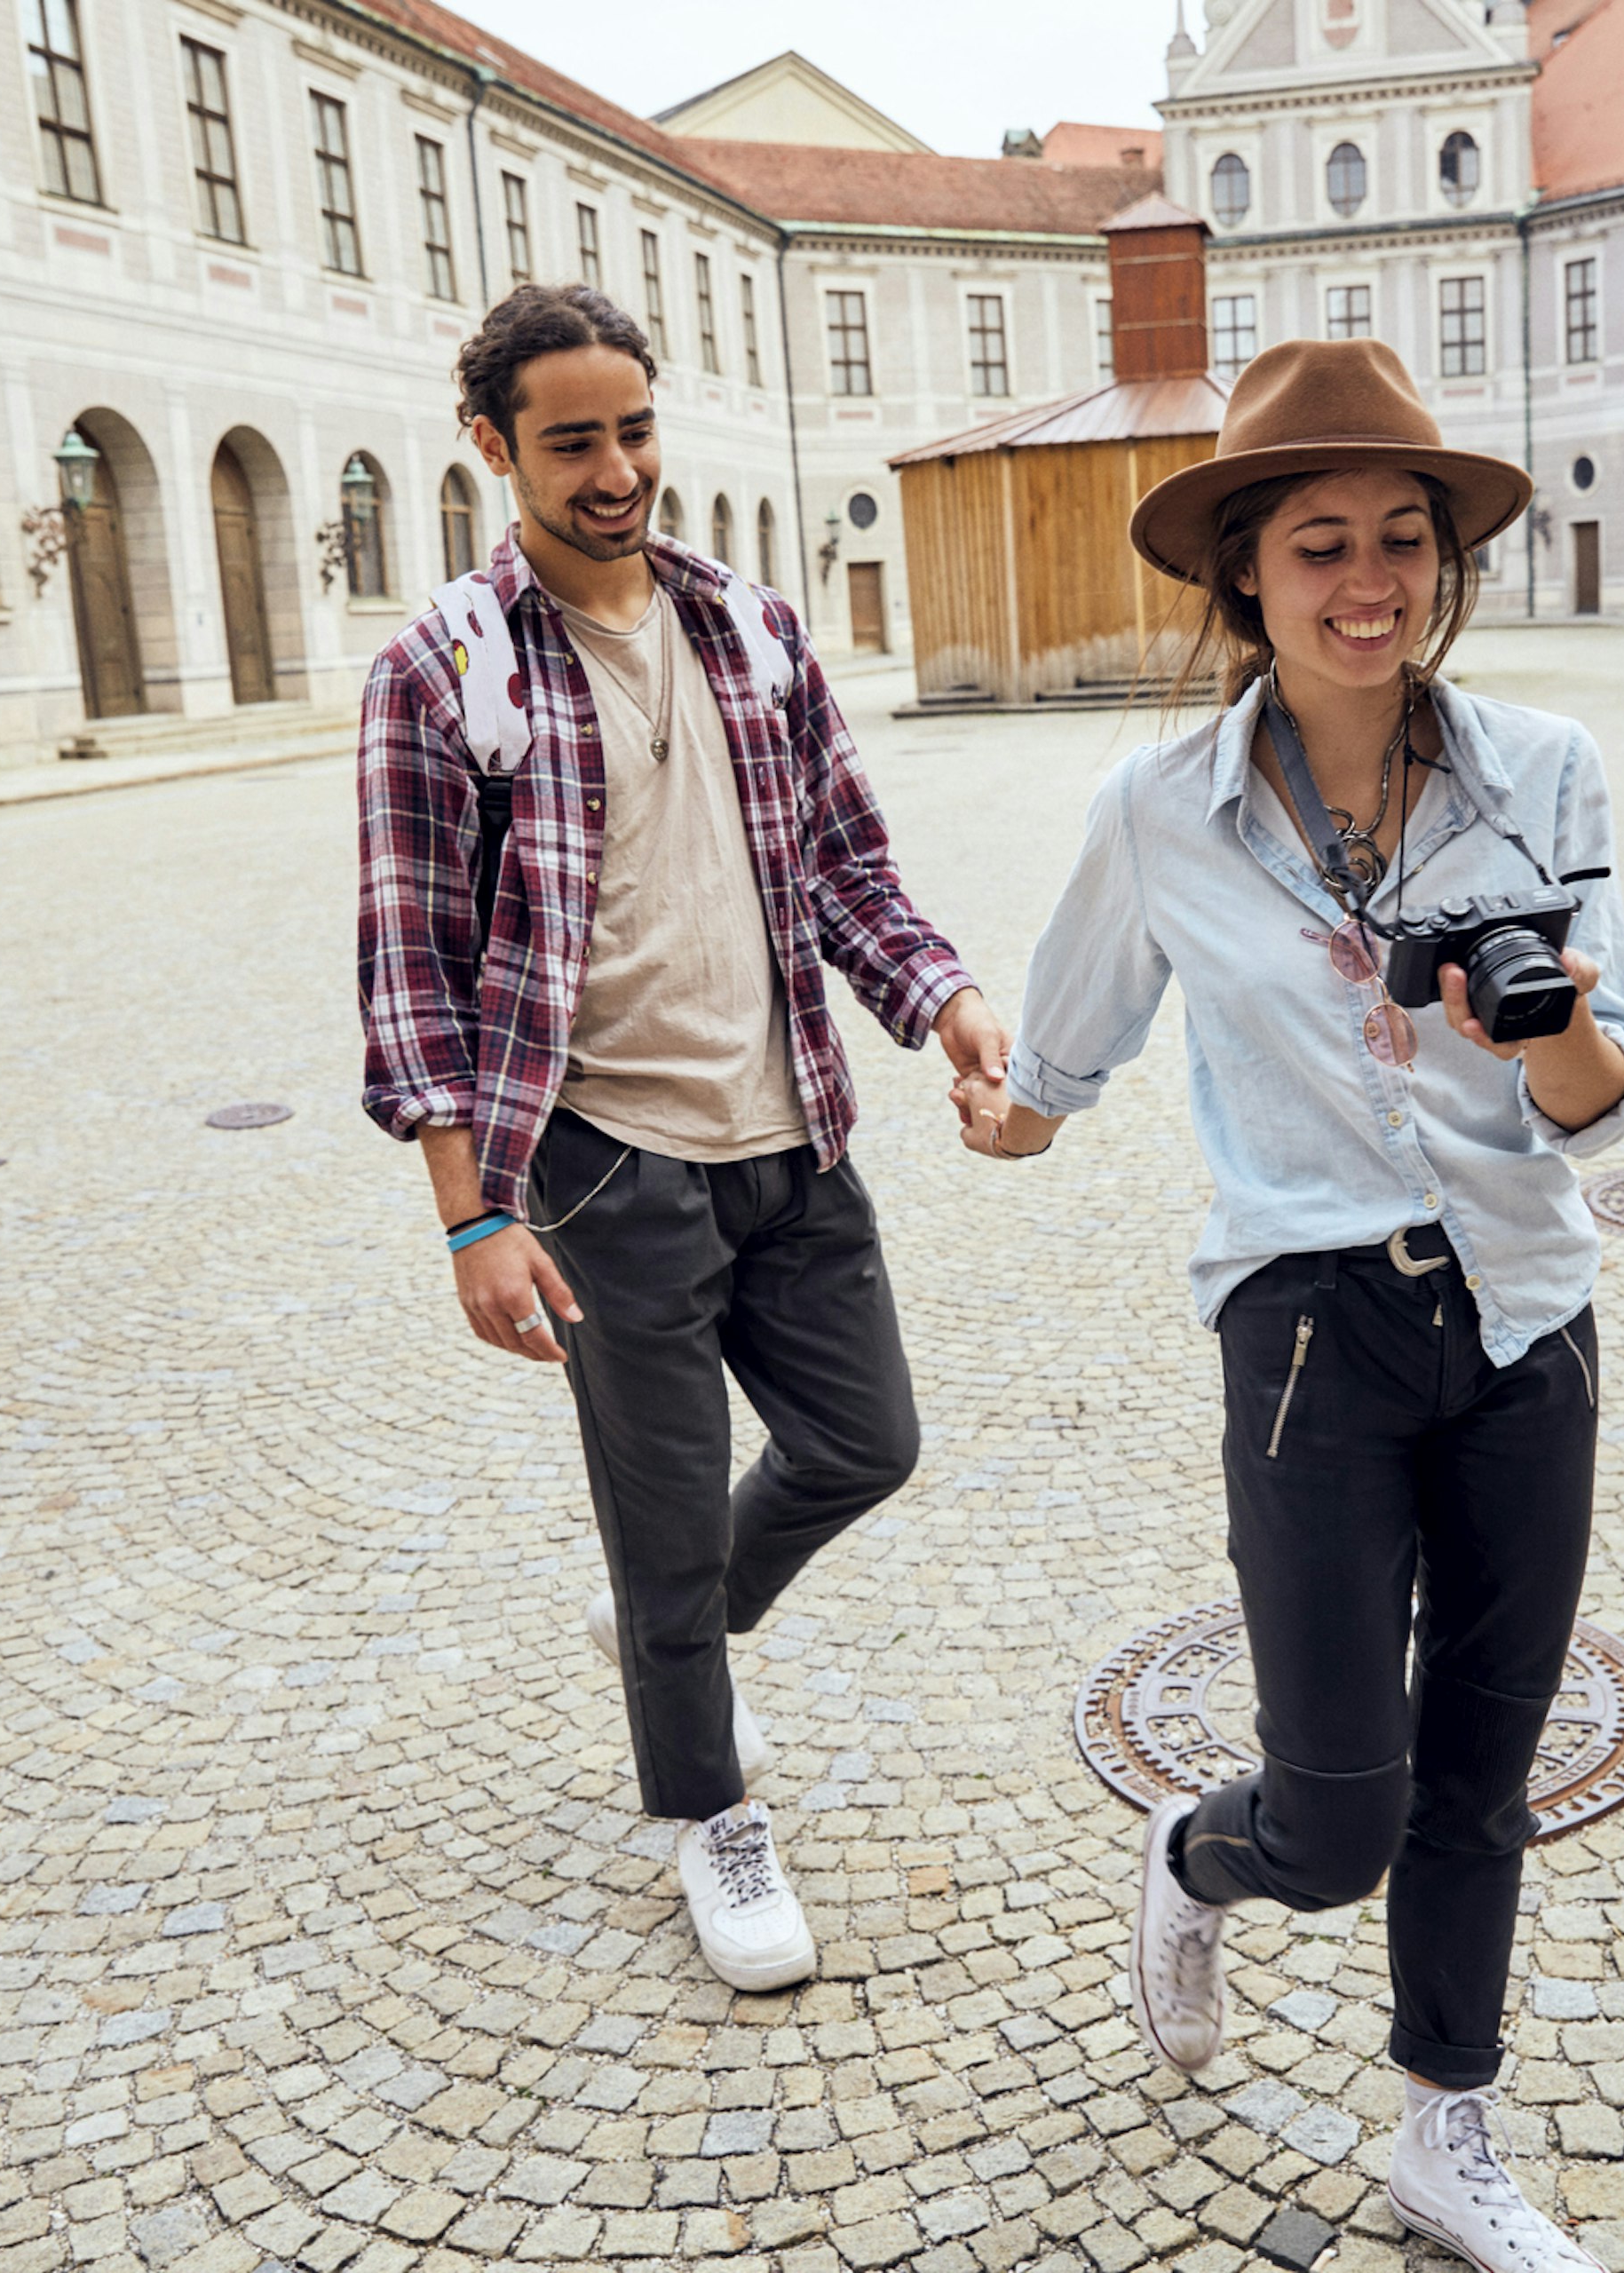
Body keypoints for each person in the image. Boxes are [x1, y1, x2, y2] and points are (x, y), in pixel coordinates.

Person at [951, 337, 1624, 2273]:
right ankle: (1194, 1855)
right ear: (1242, 576)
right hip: (1309, 1337)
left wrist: (1562, 1033)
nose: (1372, 584)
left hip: (1527, 1312)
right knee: (1337, 1815)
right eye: (1323, 543)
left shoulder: (1547, 773)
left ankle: (1449, 2133)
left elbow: (1614, 1090)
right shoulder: (1159, 809)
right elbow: (1061, 1059)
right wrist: (1000, 1112)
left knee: (1482, 1770)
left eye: (1405, 540)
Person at [355, 281, 1009, 1992]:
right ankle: (711, 1811)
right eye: (571, 442)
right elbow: (411, 972)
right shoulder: (447, 670)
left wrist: (947, 1006)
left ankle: (681, 1626)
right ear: (494, 449)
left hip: (792, 1130)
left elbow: (852, 872)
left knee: (868, 1444)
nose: (614, 470)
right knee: (654, 1533)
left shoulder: (756, 632)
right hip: (598, 1162)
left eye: (633, 431)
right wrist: (470, 1217)